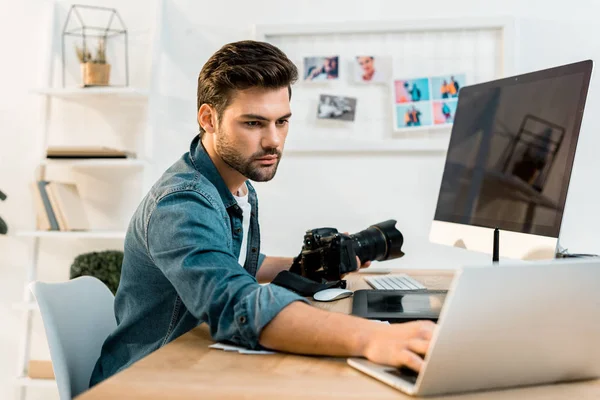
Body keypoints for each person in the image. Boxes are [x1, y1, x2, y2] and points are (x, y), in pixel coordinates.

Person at [89, 40, 435, 387]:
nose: (273, 141)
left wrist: (309, 264)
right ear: (209, 119)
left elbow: (233, 264)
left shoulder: (237, 184)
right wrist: (374, 338)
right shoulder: (180, 205)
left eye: (281, 121)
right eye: (254, 123)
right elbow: (237, 304)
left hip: (196, 364)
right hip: (144, 381)